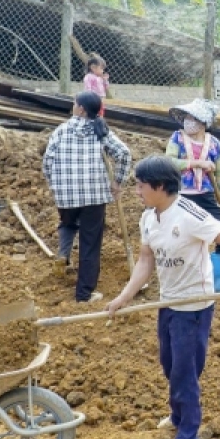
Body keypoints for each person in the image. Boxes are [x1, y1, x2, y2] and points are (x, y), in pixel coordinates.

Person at [106, 156, 220, 439]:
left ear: (160, 186)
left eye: (141, 185)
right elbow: (146, 261)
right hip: (169, 301)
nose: (137, 191)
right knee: (170, 363)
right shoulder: (149, 217)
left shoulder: (188, 213)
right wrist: (124, 296)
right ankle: (177, 415)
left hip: (193, 304)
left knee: (184, 371)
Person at [42, 90, 132, 303]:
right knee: (90, 243)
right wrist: (117, 182)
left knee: (67, 223)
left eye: (75, 103)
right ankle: (84, 294)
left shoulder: (61, 130)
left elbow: (48, 161)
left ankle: (63, 253)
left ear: (81, 108)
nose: (73, 106)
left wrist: (55, 184)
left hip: (65, 195)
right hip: (94, 196)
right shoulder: (101, 131)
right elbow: (124, 154)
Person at [165, 98, 220, 293]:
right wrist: (196, 163)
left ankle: (219, 282)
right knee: (180, 239)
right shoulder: (177, 138)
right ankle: (181, 280)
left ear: (203, 123)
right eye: (186, 117)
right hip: (181, 196)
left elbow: (219, 172)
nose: (188, 121)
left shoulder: (214, 144)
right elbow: (169, 163)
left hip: (207, 196)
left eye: (192, 118)